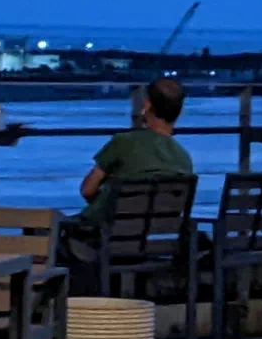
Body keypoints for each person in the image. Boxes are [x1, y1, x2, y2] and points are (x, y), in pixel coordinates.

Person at [61, 78, 195, 295]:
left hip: (105, 236)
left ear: (147, 105)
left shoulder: (124, 142)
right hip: (152, 241)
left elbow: (87, 190)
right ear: (179, 112)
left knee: (50, 228)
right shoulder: (183, 159)